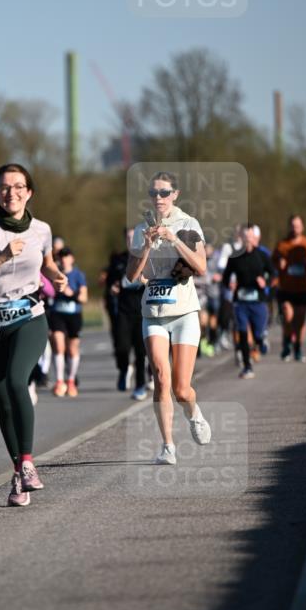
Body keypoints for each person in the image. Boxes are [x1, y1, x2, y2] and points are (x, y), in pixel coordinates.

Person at [0, 163, 67, 507]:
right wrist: (0, 257)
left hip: (29, 316)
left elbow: (47, 264)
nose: (12, 193)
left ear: (29, 192)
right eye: (5, 187)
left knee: (16, 381)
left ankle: (27, 462)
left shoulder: (41, 229)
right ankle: (19, 472)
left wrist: (57, 276)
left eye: (19, 186)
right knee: (2, 399)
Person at [126, 171, 210, 466]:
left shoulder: (189, 224)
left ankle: (194, 413)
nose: (158, 198)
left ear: (175, 194)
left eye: (164, 192)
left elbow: (201, 266)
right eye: (153, 193)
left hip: (184, 312)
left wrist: (173, 239)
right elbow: (131, 276)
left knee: (181, 389)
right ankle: (168, 446)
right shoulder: (141, 228)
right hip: (153, 312)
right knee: (161, 378)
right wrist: (146, 245)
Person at [222, 225, 274, 380]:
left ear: (254, 237)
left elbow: (273, 274)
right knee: (242, 333)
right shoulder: (234, 257)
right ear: (242, 238)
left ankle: (261, 340)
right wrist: (230, 284)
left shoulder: (262, 256)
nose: (248, 239)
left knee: (257, 335)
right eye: (246, 236)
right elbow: (226, 277)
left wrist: (265, 282)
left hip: (258, 301)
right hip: (241, 302)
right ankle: (247, 366)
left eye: (251, 236)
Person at [105, 229, 148, 400]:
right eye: (128, 238)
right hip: (123, 311)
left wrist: (146, 282)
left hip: (143, 310)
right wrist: (113, 288)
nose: (131, 240)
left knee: (140, 351)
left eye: (134, 237)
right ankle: (124, 369)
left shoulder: (146, 257)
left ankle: (140, 386)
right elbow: (109, 283)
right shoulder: (118, 260)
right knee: (122, 347)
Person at [272, 215, 306, 363]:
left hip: (302, 288)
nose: (295, 228)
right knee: (287, 315)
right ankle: (287, 343)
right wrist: (279, 264)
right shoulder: (282, 245)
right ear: (289, 227)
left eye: (297, 225)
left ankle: (297, 347)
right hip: (286, 288)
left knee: (300, 321)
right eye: (293, 225)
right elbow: (272, 262)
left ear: (302, 227)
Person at [49, 248, 88, 397]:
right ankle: (59, 382)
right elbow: (48, 291)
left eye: (66, 257)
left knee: (72, 349)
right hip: (57, 314)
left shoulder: (78, 275)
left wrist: (71, 294)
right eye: (61, 257)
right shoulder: (55, 274)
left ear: (72, 259)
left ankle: (71, 381)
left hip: (74, 315)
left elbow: (84, 298)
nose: (64, 260)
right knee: (58, 345)